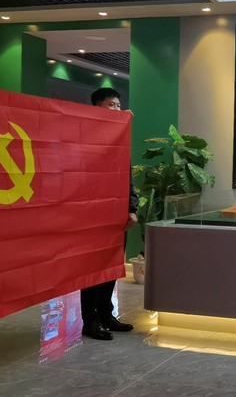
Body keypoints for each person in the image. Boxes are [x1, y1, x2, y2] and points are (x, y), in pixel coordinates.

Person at [79, 87, 138, 340]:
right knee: (91, 271)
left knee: (111, 268)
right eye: (110, 105)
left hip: (116, 217)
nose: (116, 109)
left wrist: (132, 208)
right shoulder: (83, 137)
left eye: (118, 105)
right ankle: (90, 321)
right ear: (96, 108)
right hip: (91, 217)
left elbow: (127, 178)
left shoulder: (119, 139)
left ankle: (106, 315)